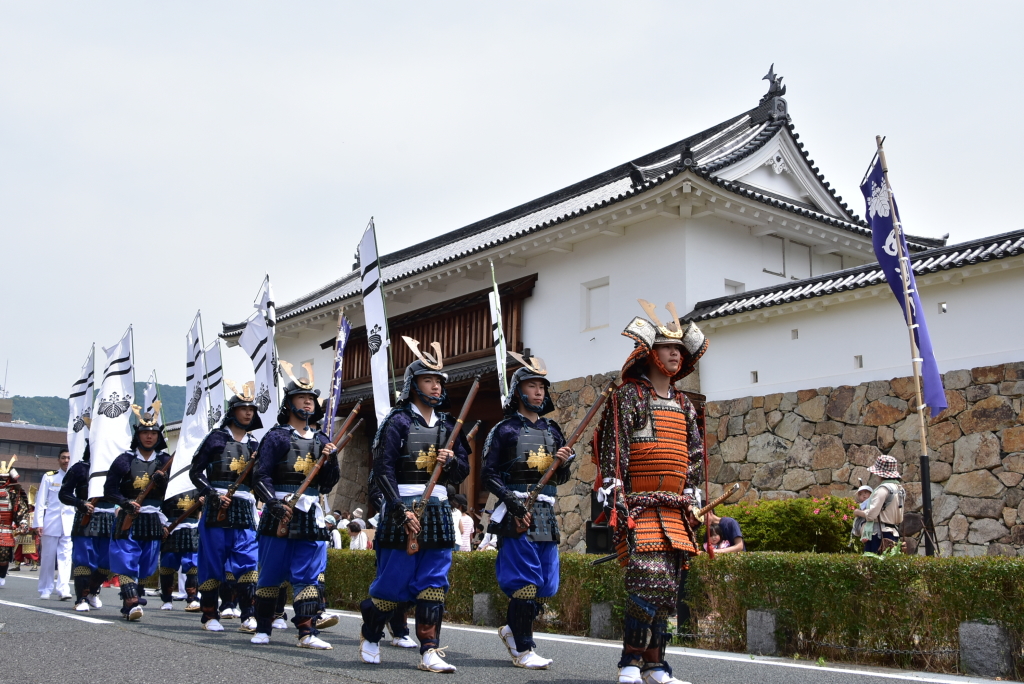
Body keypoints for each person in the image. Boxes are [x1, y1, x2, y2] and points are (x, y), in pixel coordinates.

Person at [596, 302, 707, 684]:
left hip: (676, 511)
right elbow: (615, 452)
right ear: (648, 352)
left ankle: (656, 666)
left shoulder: (683, 405)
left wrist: (693, 498)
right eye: (666, 347)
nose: (675, 353)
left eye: (679, 349)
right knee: (646, 581)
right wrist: (616, 499)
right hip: (639, 506)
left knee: (669, 590)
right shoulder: (629, 397)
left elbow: (693, 457)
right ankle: (630, 661)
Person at [358, 337, 470, 673]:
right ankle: (371, 634)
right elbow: (382, 469)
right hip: (401, 506)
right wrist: (398, 508)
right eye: (428, 380)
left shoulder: (450, 425)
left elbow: (463, 469)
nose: (435, 386)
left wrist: (451, 462)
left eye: (438, 381)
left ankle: (429, 651)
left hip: (436, 509)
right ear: (412, 384)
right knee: (393, 584)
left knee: (435, 584)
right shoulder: (397, 422)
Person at [482, 351, 573, 670]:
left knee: (547, 585)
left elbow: (561, 477)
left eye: (542, 387)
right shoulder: (503, 430)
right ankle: (523, 647)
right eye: (532, 386)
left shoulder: (553, 431)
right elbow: (488, 474)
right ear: (518, 391)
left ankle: (511, 629)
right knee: (525, 582)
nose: (538, 392)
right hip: (516, 512)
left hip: (546, 512)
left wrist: (566, 462)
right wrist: (511, 501)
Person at [250, 364, 339, 649]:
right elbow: (260, 475)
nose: (307, 402)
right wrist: (274, 503)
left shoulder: (323, 440)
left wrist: (331, 459)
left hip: (311, 513)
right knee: (271, 573)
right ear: (289, 403)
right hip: (281, 510)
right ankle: (263, 628)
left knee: (309, 576)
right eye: (301, 397)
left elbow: (327, 484)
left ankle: (307, 633)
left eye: (311, 398)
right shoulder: (276, 437)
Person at [190, 382, 263, 633]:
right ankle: (210, 614)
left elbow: (259, 481)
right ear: (232, 411)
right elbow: (195, 471)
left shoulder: (255, 445)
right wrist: (211, 494)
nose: (248, 412)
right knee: (212, 561)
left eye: (251, 409)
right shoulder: (216, 438)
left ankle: (249, 615)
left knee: (248, 561)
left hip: (244, 508)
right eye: (243, 408)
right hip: (215, 507)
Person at [104, 407, 171, 621]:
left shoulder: (166, 462)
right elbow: (109, 490)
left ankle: (131, 601)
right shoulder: (123, 460)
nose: (149, 436)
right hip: (128, 516)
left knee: (146, 563)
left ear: (158, 436)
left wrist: (165, 483)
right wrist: (125, 502)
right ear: (138, 435)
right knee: (126, 559)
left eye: (153, 433)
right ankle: (132, 602)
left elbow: (175, 493)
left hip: (152, 517)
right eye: (144, 433)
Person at [59, 440, 114, 611]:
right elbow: (64, 494)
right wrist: (79, 503)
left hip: (110, 518)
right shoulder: (80, 468)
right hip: (86, 517)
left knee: (107, 562)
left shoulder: (117, 468)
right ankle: (81, 598)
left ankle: (92, 591)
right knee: (83, 559)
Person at [33, 448, 75, 600]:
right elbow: (40, 501)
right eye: (63, 458)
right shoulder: (50, 477)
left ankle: (63, 588)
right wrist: (38, 523)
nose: (66, 461)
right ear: (58, 460)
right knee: (48, 557)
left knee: (66, 557)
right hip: (51, 523)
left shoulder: (77, 478)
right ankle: (45, 588)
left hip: (69, 524)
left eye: (69, 458)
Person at [159, 487, 201, 612]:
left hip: (192, 528)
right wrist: (162, 525)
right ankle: (166, 600)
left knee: (193, 566)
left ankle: (192, 598)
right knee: (167, 566)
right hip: (171, 528)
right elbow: (159, 506)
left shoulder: (198, 485)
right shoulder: (168, 484)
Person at [854, 455, 905, 554]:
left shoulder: (883, 489)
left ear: (881, 474)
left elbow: (871, 515)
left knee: (872, 567)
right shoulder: (899, 489)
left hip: (878, 535)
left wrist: (858, 512)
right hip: (893, 533)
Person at [0, 457, 30, 587]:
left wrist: (22, 522)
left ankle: (1, 576)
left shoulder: (14, 492)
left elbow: (21, 509)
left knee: (4, 555)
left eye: (4, 478)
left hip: (6, 528)